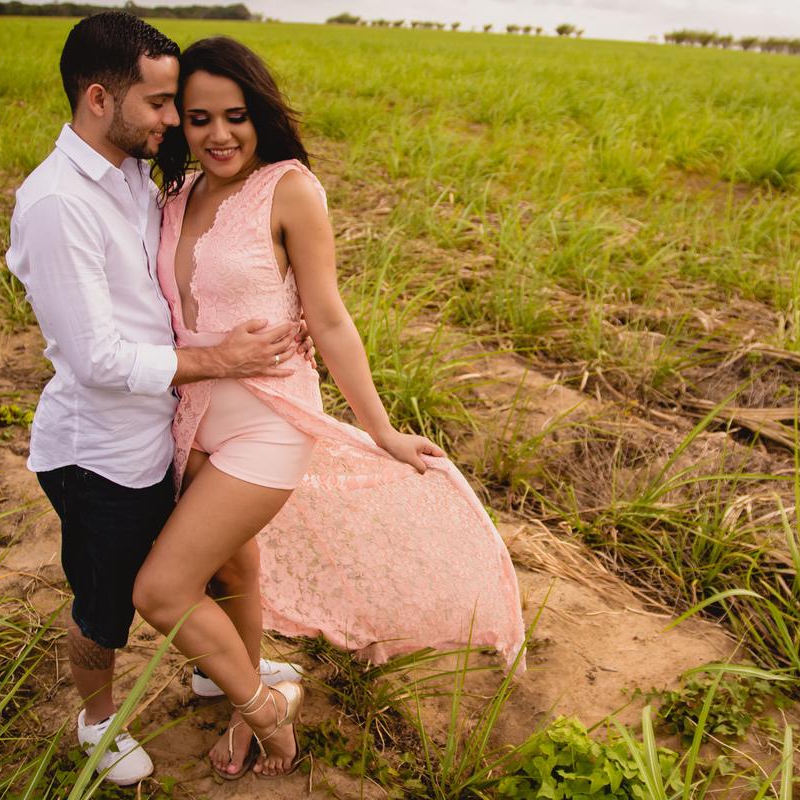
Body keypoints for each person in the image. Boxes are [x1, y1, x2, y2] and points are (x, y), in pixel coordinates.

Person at [133, 37, 526, 781]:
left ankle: (265, 708)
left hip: (268, 423)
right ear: (178, 123)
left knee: (160, 589)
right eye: (198, 118)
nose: (220, 134)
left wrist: (380, 429)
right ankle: (252, 701)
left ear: (261, 115)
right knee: (228, 570)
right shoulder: (176, 196)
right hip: (190, 420)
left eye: (236, 115)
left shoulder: (289, 189)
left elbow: (332, 317)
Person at [6, 13, 305, 786]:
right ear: (100, 98)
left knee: (216, 561)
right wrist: (221, 359)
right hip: (99, 452)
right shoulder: (57, 205)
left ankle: (215, 673)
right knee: (106, 608)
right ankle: (98, 722)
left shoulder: (138, 176)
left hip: (168, 429)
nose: (174, 121)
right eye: (162, 104)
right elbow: (97, 358)